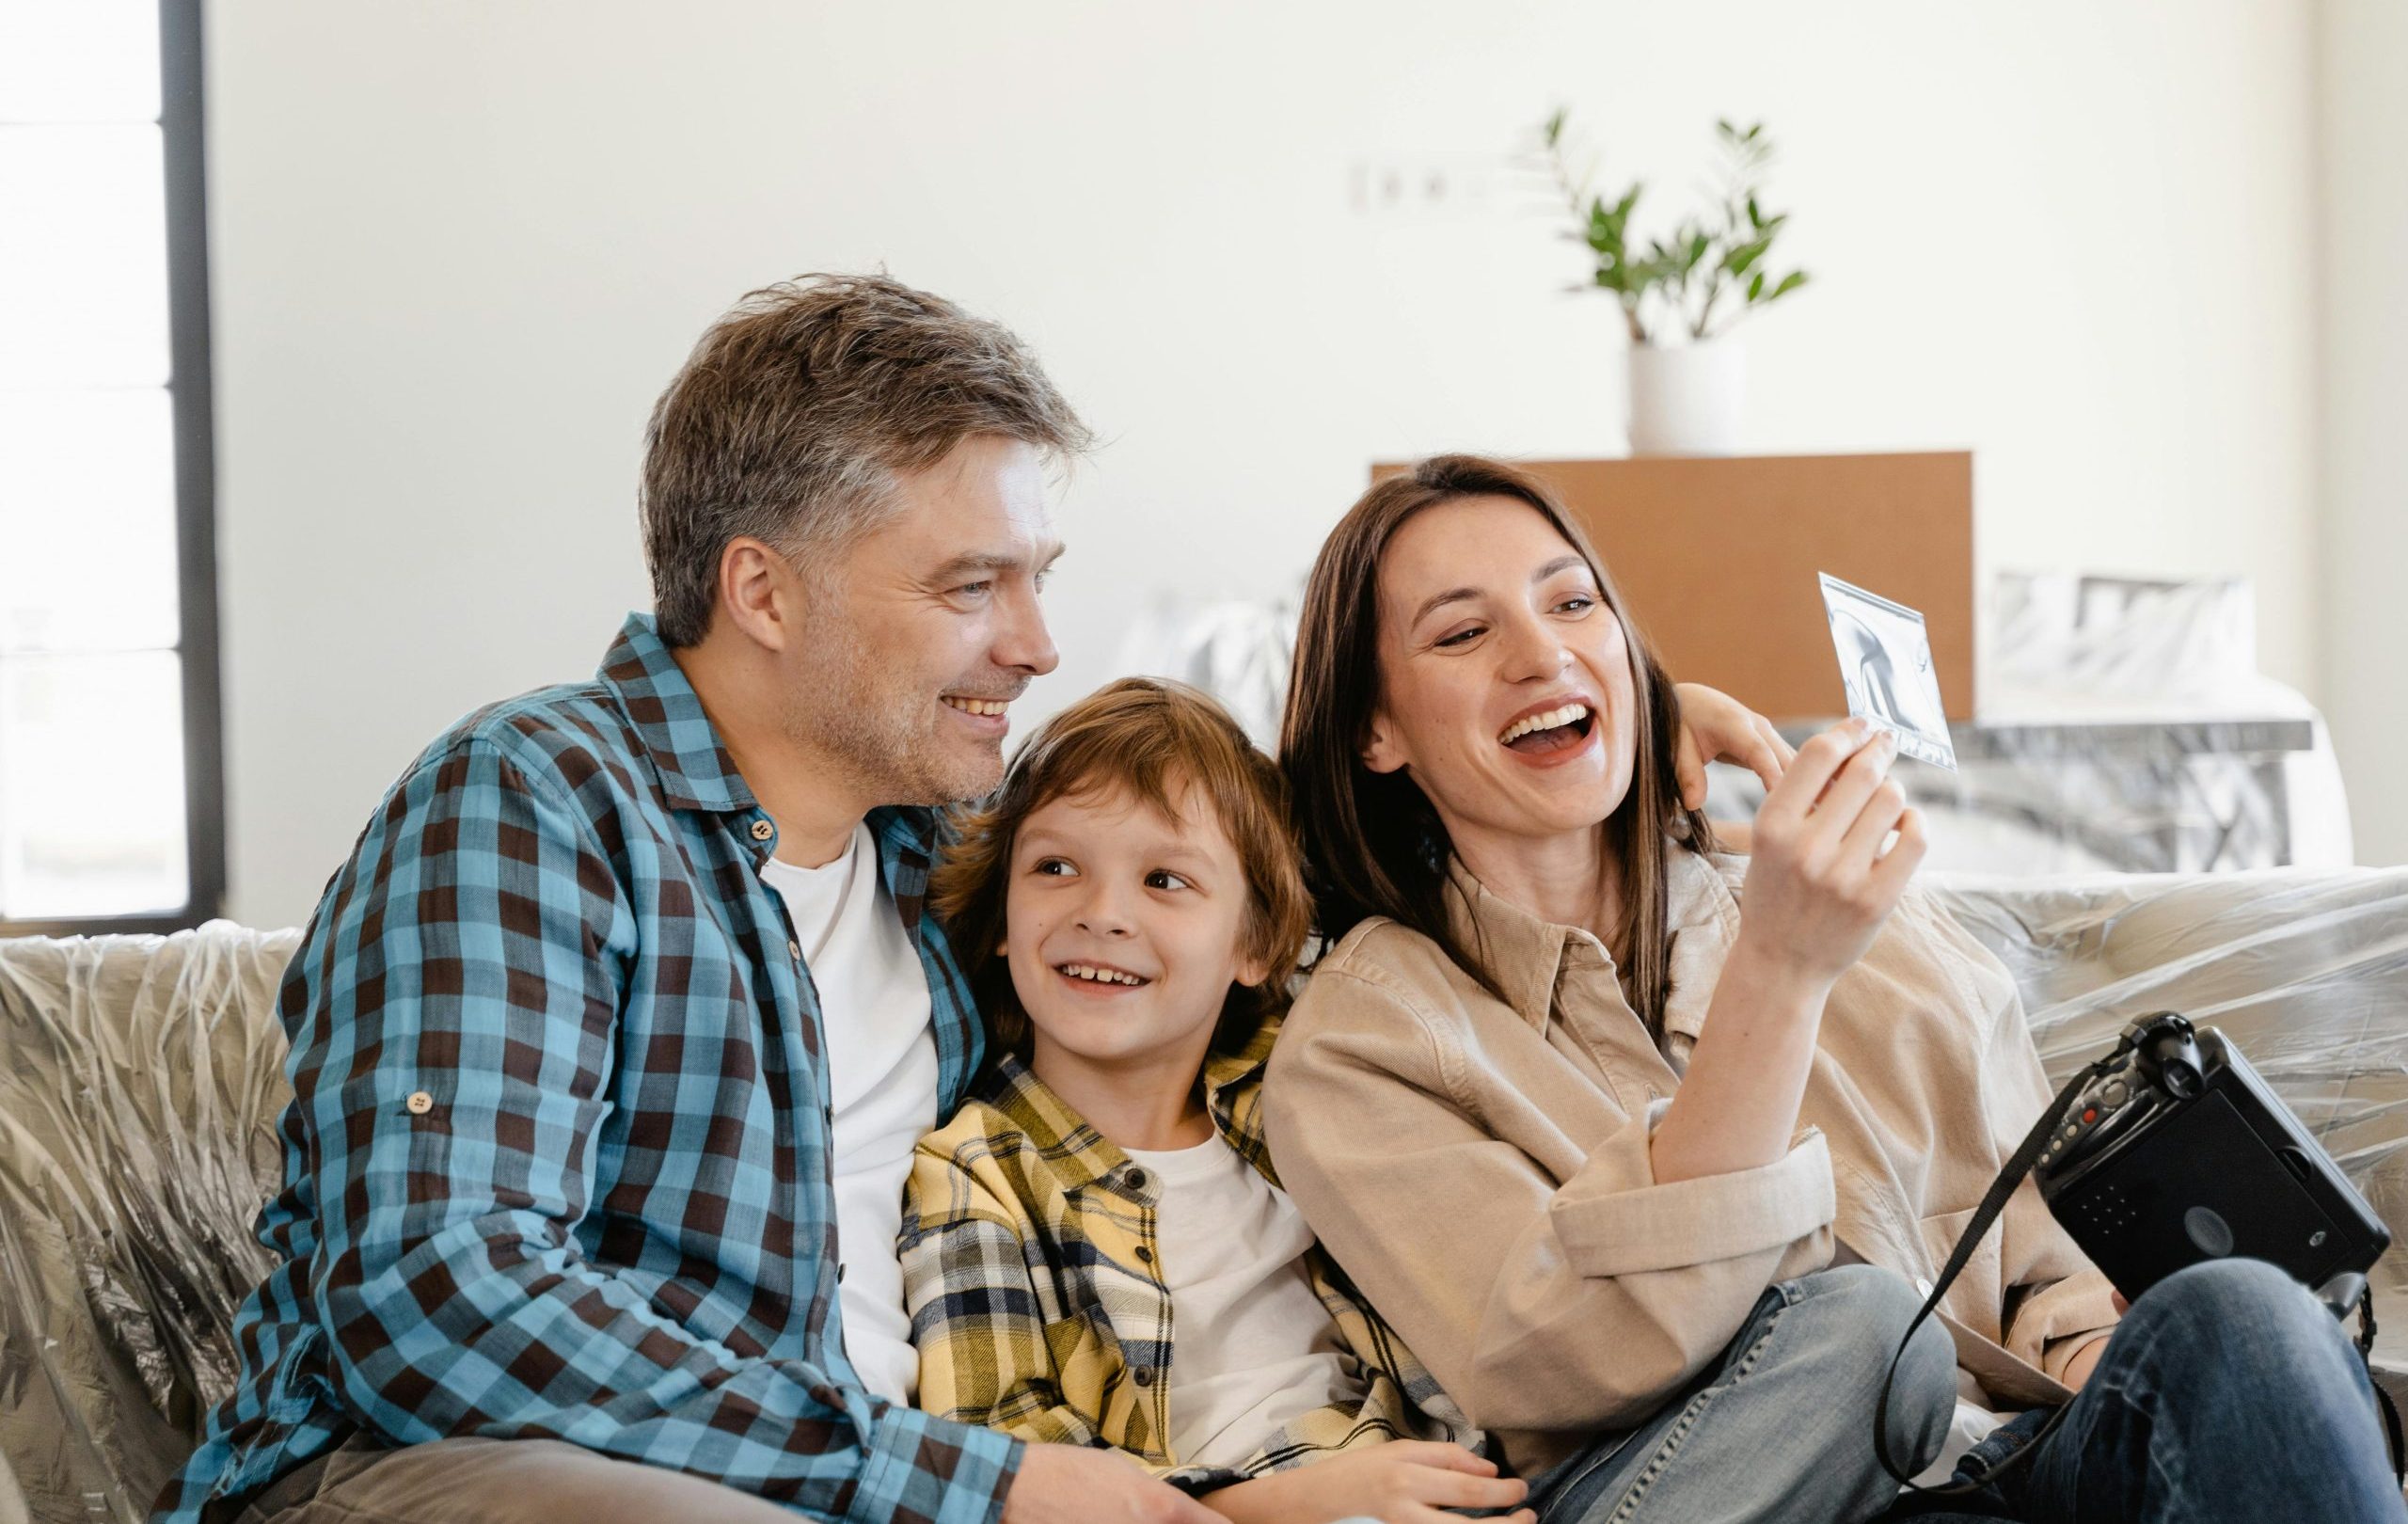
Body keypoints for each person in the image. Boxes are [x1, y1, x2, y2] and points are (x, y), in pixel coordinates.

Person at [153, 277, 1787, 1524]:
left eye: (1039, 581)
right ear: (761, 589)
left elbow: (1231, 854)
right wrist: (971, 1484)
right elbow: (436, 1298)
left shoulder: (953, 856)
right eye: (969, 586)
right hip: (453, 1480)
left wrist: (1619, 730)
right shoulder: (538, 802)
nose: (1034, 642)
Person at [1263, 452, 2406, 1524]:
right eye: (1463, 633)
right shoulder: (1361, 1044)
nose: (1542, 654)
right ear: (1373, 730)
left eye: (1571, 604)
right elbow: (1560, 1364)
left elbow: (2039, 1262)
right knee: (1865, 1334)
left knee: (2245, 1317)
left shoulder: (1866, 915)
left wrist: (2094, 1349)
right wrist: (1779, 972)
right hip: (1761, 1487)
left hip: (2016, 1456)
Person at [902, 676, 1529, 1524]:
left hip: (1461, 1478)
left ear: (1258, 945)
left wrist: (1660, 735)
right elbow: (1011, 1463)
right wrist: (1303, 1502)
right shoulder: (977, 1171)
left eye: (1165, 880)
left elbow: (1459, 869)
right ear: (1004, 913)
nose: (1103, 913)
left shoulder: (1303, 1079)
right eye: (1055, 866)